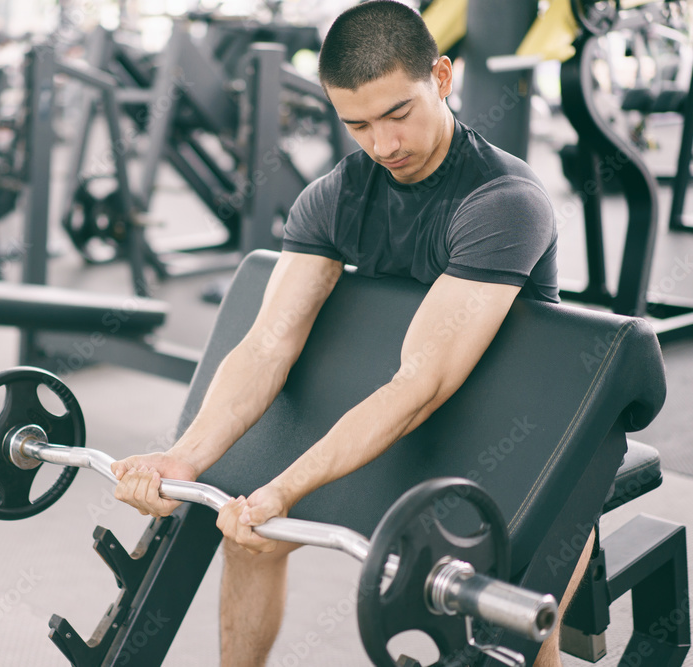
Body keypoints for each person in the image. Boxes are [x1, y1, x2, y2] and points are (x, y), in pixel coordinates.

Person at [111, 2, 592, 665]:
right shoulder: (334, 196)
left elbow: (422, 383)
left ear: (443, 78)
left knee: (506, 622)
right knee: (253, 529)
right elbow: (265, 345)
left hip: (527, 441)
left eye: (399, 113)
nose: (384, 144)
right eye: (358, 124)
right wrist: (184, 457)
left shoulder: (502, 201)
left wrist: (288, 484)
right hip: (409, 423)